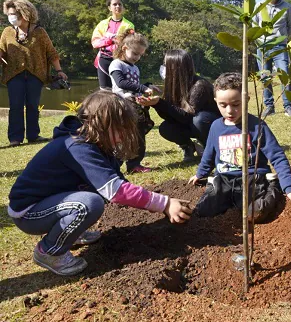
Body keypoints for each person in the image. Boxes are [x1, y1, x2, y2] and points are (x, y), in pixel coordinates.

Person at [8, 91, 192, 276]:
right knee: (89, 204)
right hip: (29, 213)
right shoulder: (78, 147)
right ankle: (48, 251)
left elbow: (118, 181)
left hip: (50, 203)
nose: (123, 136)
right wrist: (164, 204)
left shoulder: (96, 144)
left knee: (97, 194)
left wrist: (156, 203)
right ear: (101, 124)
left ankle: (73, 234)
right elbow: (117, 191)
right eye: (120, 129)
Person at [188, 73, 291, 222]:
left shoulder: (257, 126)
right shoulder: (216, 127)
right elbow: (209, 153)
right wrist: (200, 173)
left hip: (253, 180)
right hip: (225, 179)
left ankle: (273, 186)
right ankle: (226, 197)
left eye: (236, 104)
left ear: (246, 100)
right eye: (223, 105)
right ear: (216, 102)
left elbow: (277, 157)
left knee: (255, 213)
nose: (229, 110)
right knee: (203, 210)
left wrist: (289, 188)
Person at [0, 0, 68, 147]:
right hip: (13, 74)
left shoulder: (40, 32)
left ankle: (33, 135)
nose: (10, 17)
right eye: (9, 14)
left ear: (24, 13)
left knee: (33, 105)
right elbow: (2, 52)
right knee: (15, 106)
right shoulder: (7, 32)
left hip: (36, 74)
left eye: (13, 14)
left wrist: (59, 71)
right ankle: (15, 139)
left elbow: (51, 53)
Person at [140, 49, 220, 162]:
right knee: (165, 127)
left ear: (175, 68)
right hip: (191, 123)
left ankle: (210, 148)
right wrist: (156, 104)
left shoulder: (199, 85)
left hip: (210, 124)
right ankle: (188, 147)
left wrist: (160, 103)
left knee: (199, 119)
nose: (163, 68)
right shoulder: (173, 86)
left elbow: (186, 116)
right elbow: (171, 116)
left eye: (165, 64)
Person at [109, 30, 159, 173]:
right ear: (124, 48)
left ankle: (134, 164)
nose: (137, 57)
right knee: (123, 136)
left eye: (140, 55)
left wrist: (147, 85)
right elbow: (121, 83)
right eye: (135, 53)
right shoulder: (116, 64)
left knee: (139, 133)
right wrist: (142, 87)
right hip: (122, 104)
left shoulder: (135, 67)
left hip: (135, 104)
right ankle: (113, 165)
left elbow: (134, 85)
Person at [252, 0, 291, 117]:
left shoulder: (287, 7)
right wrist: (259, 40)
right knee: (265, 76)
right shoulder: (259, 6)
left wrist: (282, 39)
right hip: (263, 47)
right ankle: (269, 106)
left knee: (284, 75)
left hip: (280, 46)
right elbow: (254, 24)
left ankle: (288, 106)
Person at [91, 0, 134, 90]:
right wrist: (111, 40)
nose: (117, 6)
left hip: (120, 60)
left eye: (120, 4)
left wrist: (107, 39)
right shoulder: (102, 24)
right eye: (114, 4)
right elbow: (95, 43)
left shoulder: (129, 25)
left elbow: (128, 43)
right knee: (105, 90)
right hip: (104, 59)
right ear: (109, 8)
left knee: (120, 89)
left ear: (123, 7)